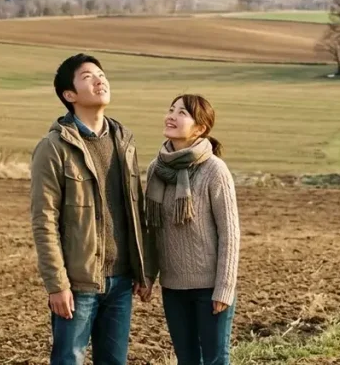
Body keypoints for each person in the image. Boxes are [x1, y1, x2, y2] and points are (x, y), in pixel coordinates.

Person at [29, 53, 155, 365]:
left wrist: (142, 269)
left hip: (122, 280)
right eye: (88, 77)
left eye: (101, 74)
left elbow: (134, 211)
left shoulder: (124, 140)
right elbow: (44, 220)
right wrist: (57, 284)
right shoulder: (54, 147)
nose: (100, 80)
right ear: (69, 95)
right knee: (68, 360)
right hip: (79, 282)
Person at [145, 94, 240, 365]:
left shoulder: (214, 170)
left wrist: (224, 288)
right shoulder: (156, 169)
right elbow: (152, 228)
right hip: (173, 287)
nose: (172, 116)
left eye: (183, 113)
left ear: (200, 129)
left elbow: (229, 234)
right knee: (186, 360)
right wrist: (149, 274)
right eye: (171, 109)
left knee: (214, 360)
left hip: (209, 287)